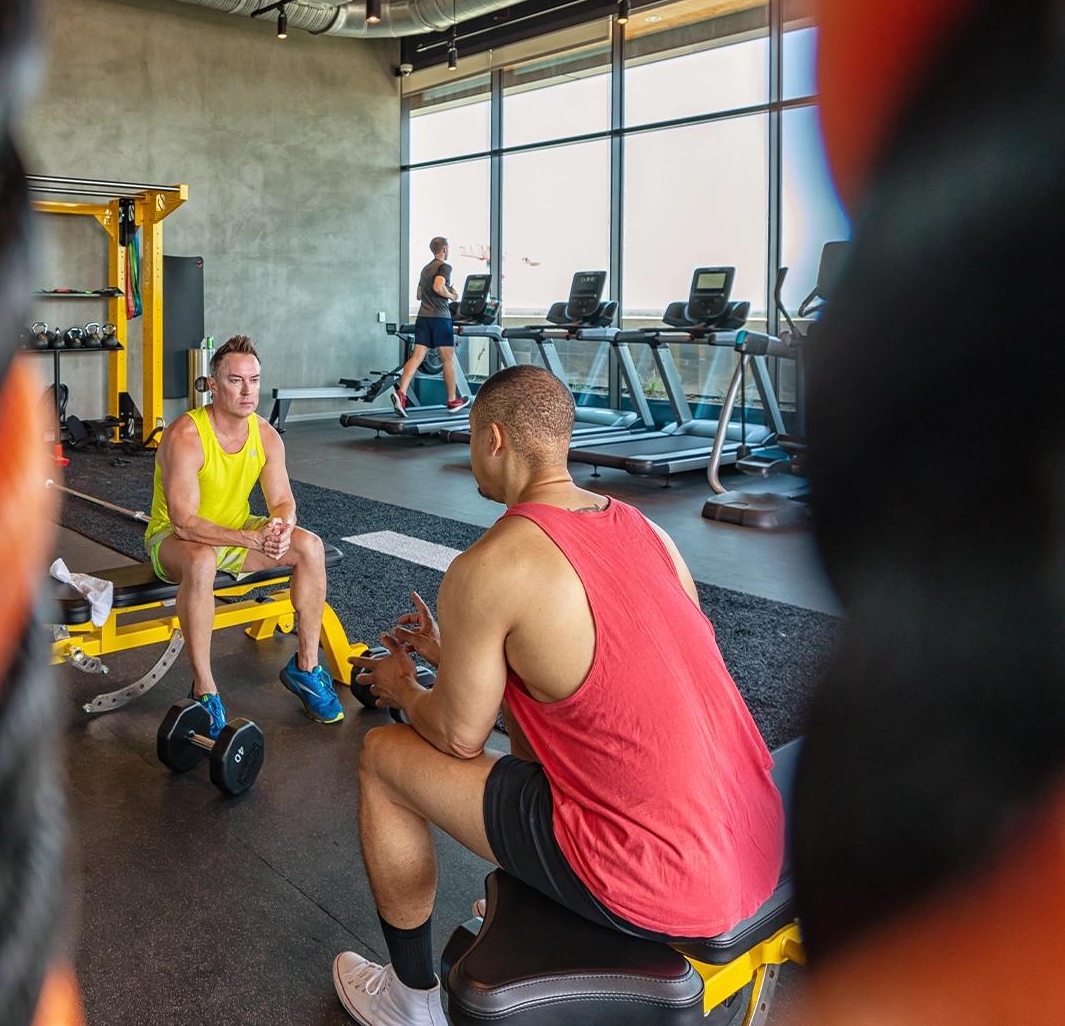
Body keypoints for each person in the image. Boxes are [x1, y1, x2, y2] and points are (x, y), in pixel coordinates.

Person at [331, 365, 784, 1026]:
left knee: (381, 754)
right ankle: (529, 895)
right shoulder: (653, 534)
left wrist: (405, 687)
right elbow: (598, 686)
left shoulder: (490, 564)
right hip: (754, 838)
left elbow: (460, 734)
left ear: (492, 439)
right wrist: (449, 654)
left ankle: (408, 1000)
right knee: (540, 722)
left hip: (659, 873)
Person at [145, 335, 345, 734]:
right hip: (174, 542)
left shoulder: (266, 435)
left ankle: (306, 667)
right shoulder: (186, 435)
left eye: (254, 380)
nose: (247, 390)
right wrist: (252, 540)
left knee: (309, 547)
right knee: (201, 559)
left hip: (235, 534)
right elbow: (184, 522)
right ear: (213, 386)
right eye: (236, 381)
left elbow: (283, 501)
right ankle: (205, 689)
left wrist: (279, 529)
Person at [395, 237, 466, 416]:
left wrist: (442, 291)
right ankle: (452, 400)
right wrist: (452, 295)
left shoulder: (425, 269)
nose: (448, 250)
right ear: (444, 249)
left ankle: (401, 394)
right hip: (440, 318)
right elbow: (438, 286)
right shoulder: (444, 267)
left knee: (417, 356)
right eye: (448, 247)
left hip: (423, 317)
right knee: (447, 360)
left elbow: (419, 294)